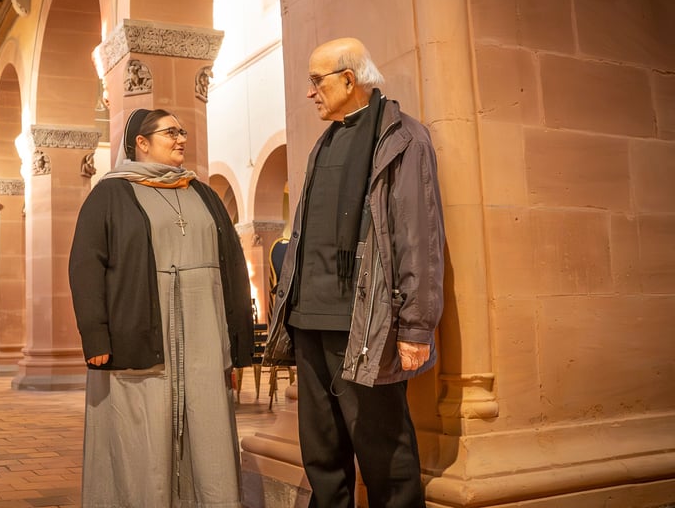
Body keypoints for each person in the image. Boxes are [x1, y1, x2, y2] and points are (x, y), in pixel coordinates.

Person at [267, 38, 445, 507]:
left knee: (385, 452)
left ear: (349, 79)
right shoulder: (323, 143)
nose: (309, 93)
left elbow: (418, 236)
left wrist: (416, 325)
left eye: (316, 80)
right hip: (309, 322)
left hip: (365, 324)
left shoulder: (402, 138)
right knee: (322, 455)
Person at [69, 108, 254, 508]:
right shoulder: (111, 193)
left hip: (204, 328)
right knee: (145, 432)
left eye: (182, 131)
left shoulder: (201, 192)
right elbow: (86, 264)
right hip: (141, 329)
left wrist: (237, 338)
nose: (181, 138)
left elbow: (233, 263)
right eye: (170, 132)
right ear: (142, 142)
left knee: (209, 429)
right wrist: (95, 334)